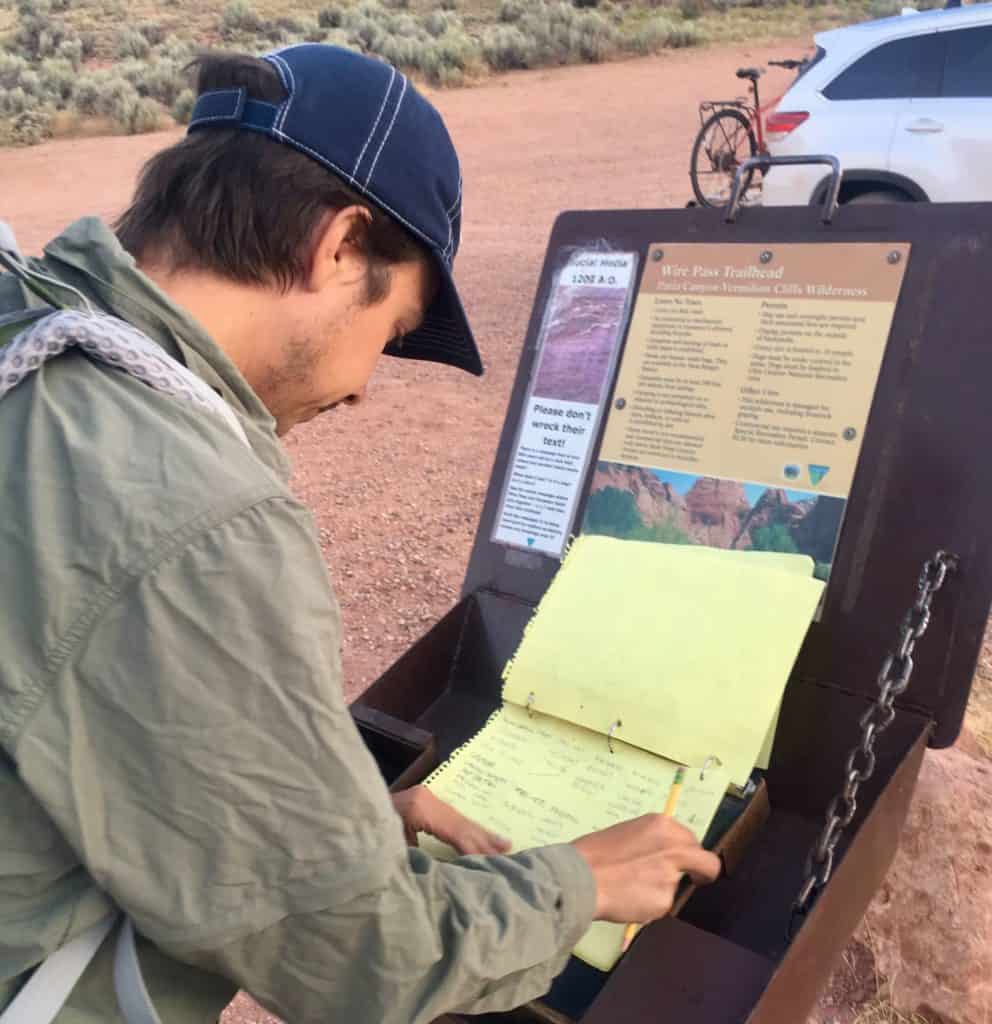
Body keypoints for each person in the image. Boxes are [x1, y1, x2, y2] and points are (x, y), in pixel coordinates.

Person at [0, 44, 720, 1024]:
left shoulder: (32, 337)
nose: (363, 387)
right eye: (389, 330)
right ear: (341, 245)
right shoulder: (195, 513)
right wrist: (575, 885)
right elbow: (358, 956)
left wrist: (309, 806)